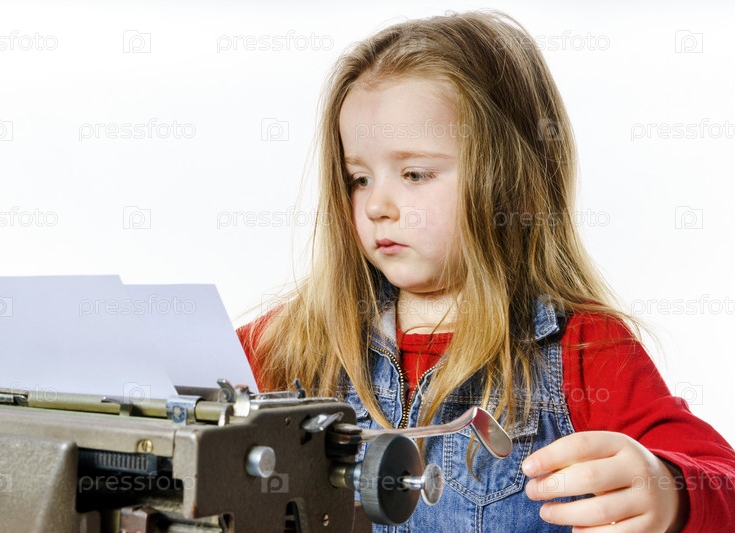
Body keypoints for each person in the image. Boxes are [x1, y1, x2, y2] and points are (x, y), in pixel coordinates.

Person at [237, 10, 735, 532]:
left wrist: (671, 493)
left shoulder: (583, 349)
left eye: (414, 174)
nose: (377, 205)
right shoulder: (289, 341)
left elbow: (721, 479)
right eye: (359, 178)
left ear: (511, 182)